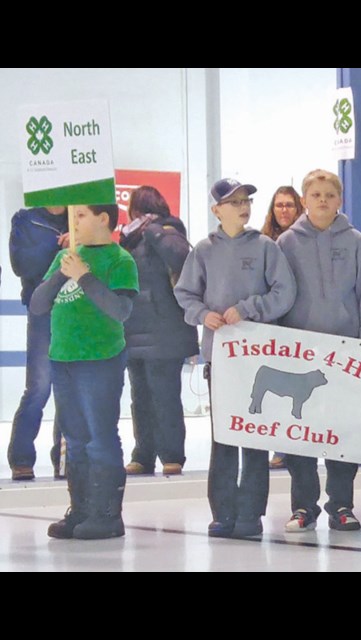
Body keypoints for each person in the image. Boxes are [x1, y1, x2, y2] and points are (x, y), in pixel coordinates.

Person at [175, 178, 296, 539]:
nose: (243, 207)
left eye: (246, 200)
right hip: (221, 359)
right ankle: (223, 512)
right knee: (224, 438)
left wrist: (248, 309)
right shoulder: (203, 251)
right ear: (217, 210)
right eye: (235, 202)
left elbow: (284, 292)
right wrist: (201, 314)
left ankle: (251, 513)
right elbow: (184, 293)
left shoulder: (265, 248)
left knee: (255, 435)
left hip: (258, 358)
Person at [276, 169, 361, 532]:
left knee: (342, 434)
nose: (323, 200)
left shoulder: (354, 242)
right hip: (299, 354)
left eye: (329, 195)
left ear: (340, 201)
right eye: (316, 194)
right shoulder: (287, 243)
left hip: (345, 352)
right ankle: (303, 506)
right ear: (305, 200)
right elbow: (278, 294)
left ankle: (342, 505)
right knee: (299, 431)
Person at [32, 204, 139, 539]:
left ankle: (108, 514)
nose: (73, 222)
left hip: (100, 358)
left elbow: (119, 310)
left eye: (80, 216)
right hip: (63, 357)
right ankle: (80, 509)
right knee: (74, 439)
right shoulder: (66, 257)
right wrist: (63, 273)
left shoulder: (120, 260)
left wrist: (84, 276)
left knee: (99, 436)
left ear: (102, 218)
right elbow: (37, 304)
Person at [121, 186, 198, 477]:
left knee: (164, 395)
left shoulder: (168, 229)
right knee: (140, 397)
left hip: (164, 331)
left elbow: (182, 259)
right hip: (133, 329)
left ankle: (171, 455)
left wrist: (153, 229)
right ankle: (143, 454)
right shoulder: (127, 238)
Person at [7, 204, 68, 480]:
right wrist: (60, 249)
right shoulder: (25, 219)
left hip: (77, 308)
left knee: (70, 388)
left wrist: (79, 242)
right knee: (39, 386)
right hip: (42, 308)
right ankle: (21, 458)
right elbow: (21, 264)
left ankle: (67, 459)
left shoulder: (81, 213)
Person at [259, 186, 305, 470]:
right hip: (275, 327)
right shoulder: (263, 242)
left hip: (301, 324)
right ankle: (281, 447)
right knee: (278, 391)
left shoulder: (302, 242)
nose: (284, 210)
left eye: (289, 205)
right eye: (279, 205)